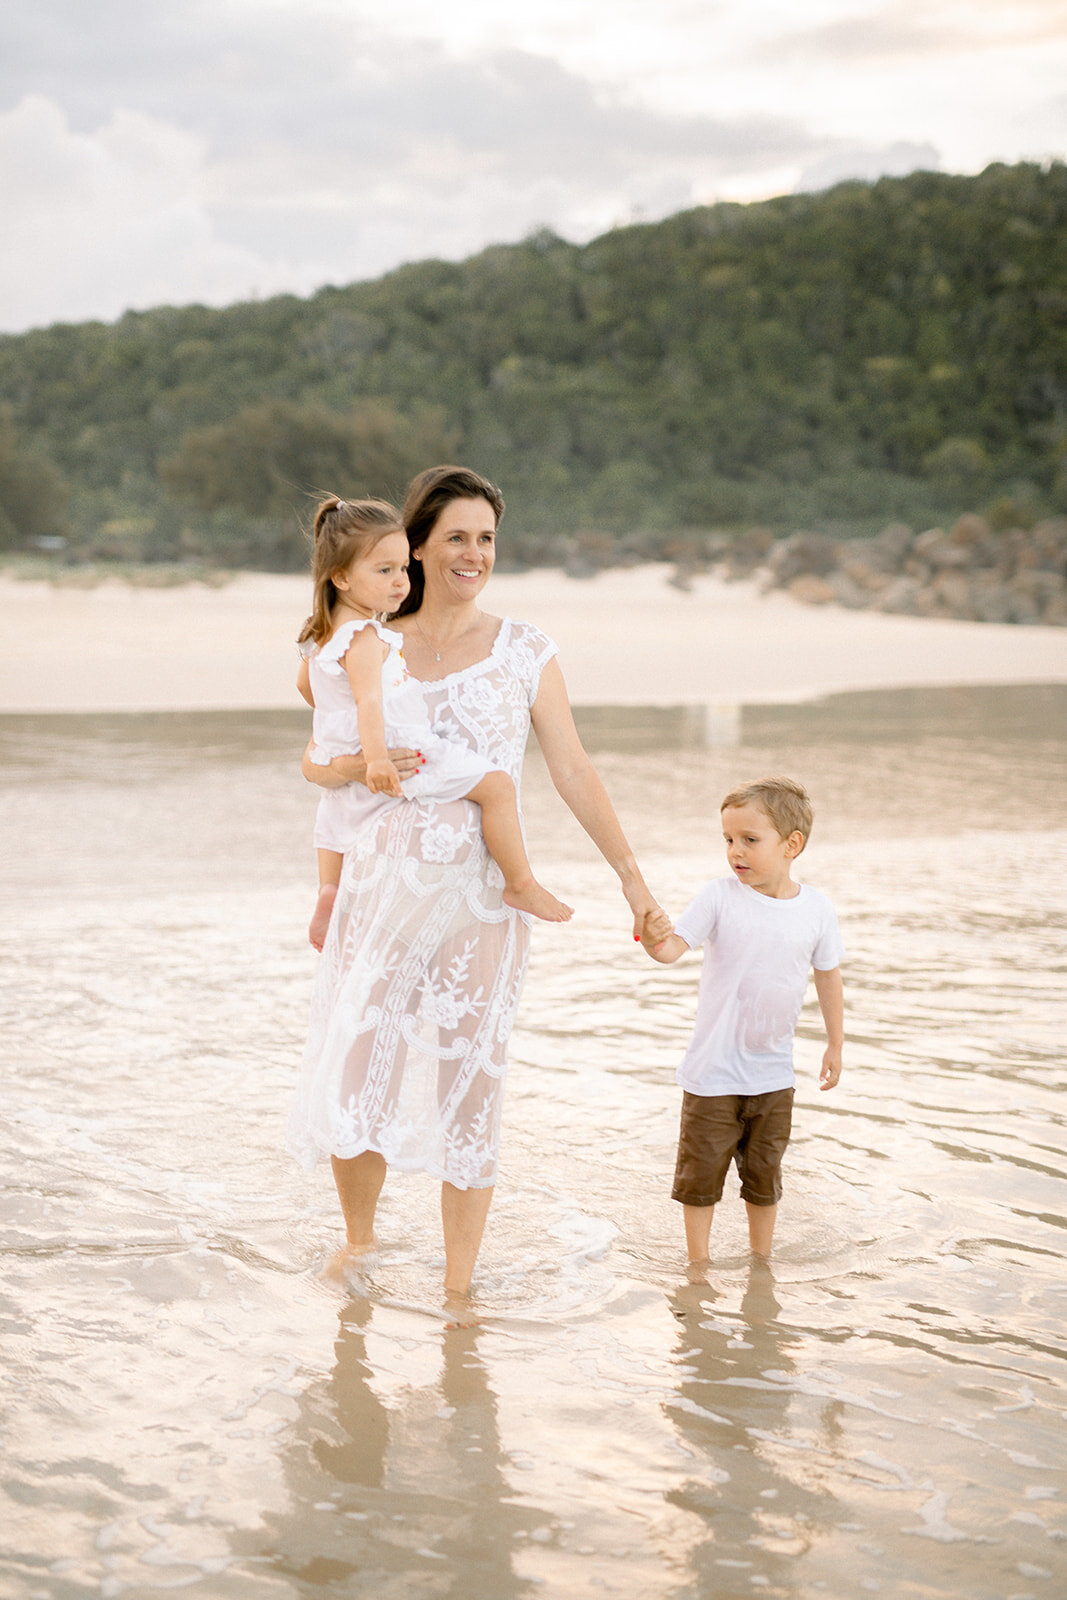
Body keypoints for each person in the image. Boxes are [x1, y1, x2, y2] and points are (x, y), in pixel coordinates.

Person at [289, 465, 659, 1303]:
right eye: (455, 536)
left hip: (481, 904)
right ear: (413, 546)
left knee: (471, 1084)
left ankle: (459, 1289)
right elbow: (319, 762)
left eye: (487, 538)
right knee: (360, 1073)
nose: (473, 553)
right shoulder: (362, 642)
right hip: (379, 895)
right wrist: (338, 817)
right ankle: (361, 1245)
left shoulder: (526, 650)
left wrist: (634, 883)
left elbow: (570, 768)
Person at [297, 494, 572, 950]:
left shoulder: (318, 636)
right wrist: (379, 760)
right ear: (342, 577)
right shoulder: (365, 636)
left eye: (402, 569)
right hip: (401, 746)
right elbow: (368, 701)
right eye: (384, 571)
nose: (400, 581)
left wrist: (344, 747)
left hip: (335, 747)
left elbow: (313, 693)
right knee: (498, 787)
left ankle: (330, 889)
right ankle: (520, 881)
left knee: (337, 817)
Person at [640, 776, 844, 1264]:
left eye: (750, 840)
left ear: (792, 845)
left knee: (764, 1176)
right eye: (728, 840)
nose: (736, 851)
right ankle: (698, 1265)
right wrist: (650, 936)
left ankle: (761, 1261)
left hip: (773, 1075)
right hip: (712, 1075)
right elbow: (670, 950)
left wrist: (835, 1044)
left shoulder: (816, 909)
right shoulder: (719, 896)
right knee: (700, 1178)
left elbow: (828, 976)